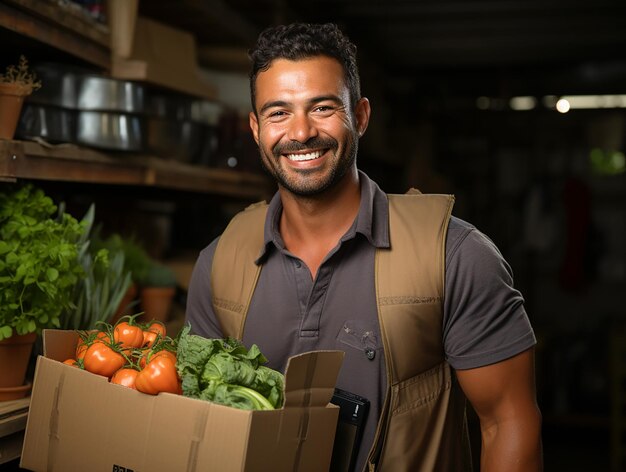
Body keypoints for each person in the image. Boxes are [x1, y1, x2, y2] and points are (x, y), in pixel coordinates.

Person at [185, 22, 543, 472]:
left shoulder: (454, 254)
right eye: (278, 113)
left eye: (322, 107)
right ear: (255, 129)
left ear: (362, 115)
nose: (301, 132)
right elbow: (202, 422)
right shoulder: (220, 260)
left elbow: (508, 421)